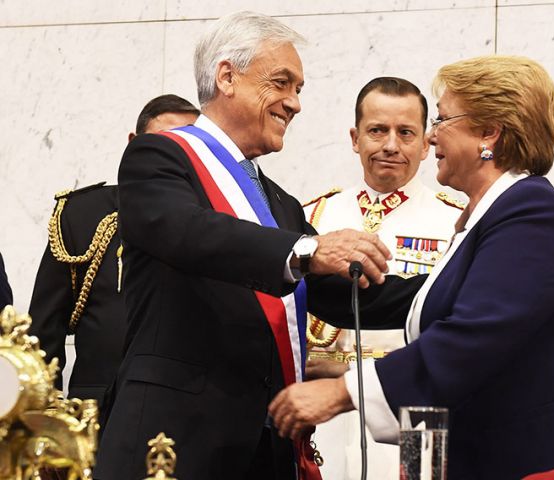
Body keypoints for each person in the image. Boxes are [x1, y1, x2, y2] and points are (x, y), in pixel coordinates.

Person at [270, 55, 554, 479]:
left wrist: (343, 391)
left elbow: (474, 335)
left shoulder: (534, 211)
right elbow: (412, 306)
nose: (432, 135)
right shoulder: (491, 216)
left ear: (488, 132)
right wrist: (293, 263)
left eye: (441, 119)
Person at [94, 12, 390, 480]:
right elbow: (190, 233)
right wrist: (308, 251)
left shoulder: (281, 204)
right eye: (282, 83)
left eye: (299, 89)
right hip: (172, 441)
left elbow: (340, 292)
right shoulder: (158, 158)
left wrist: (453, 286)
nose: (294, 103)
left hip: (264, 449)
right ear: (227, 76)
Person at [303, 76, 461, 479]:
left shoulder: (458, 223)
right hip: (321, 416)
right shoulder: (311, 217)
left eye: (405, 133)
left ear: (426, 144)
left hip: (411, 414)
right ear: (355, 138)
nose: (391, 145)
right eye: (377, 130)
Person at [27, 94, 199, 404]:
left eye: (189, 149)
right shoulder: (83, 216)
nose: (177, 160)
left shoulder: (222, 225)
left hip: (187, 415)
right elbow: (44, 332)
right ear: (135, 145)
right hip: (98, 415)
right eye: (164, 146)